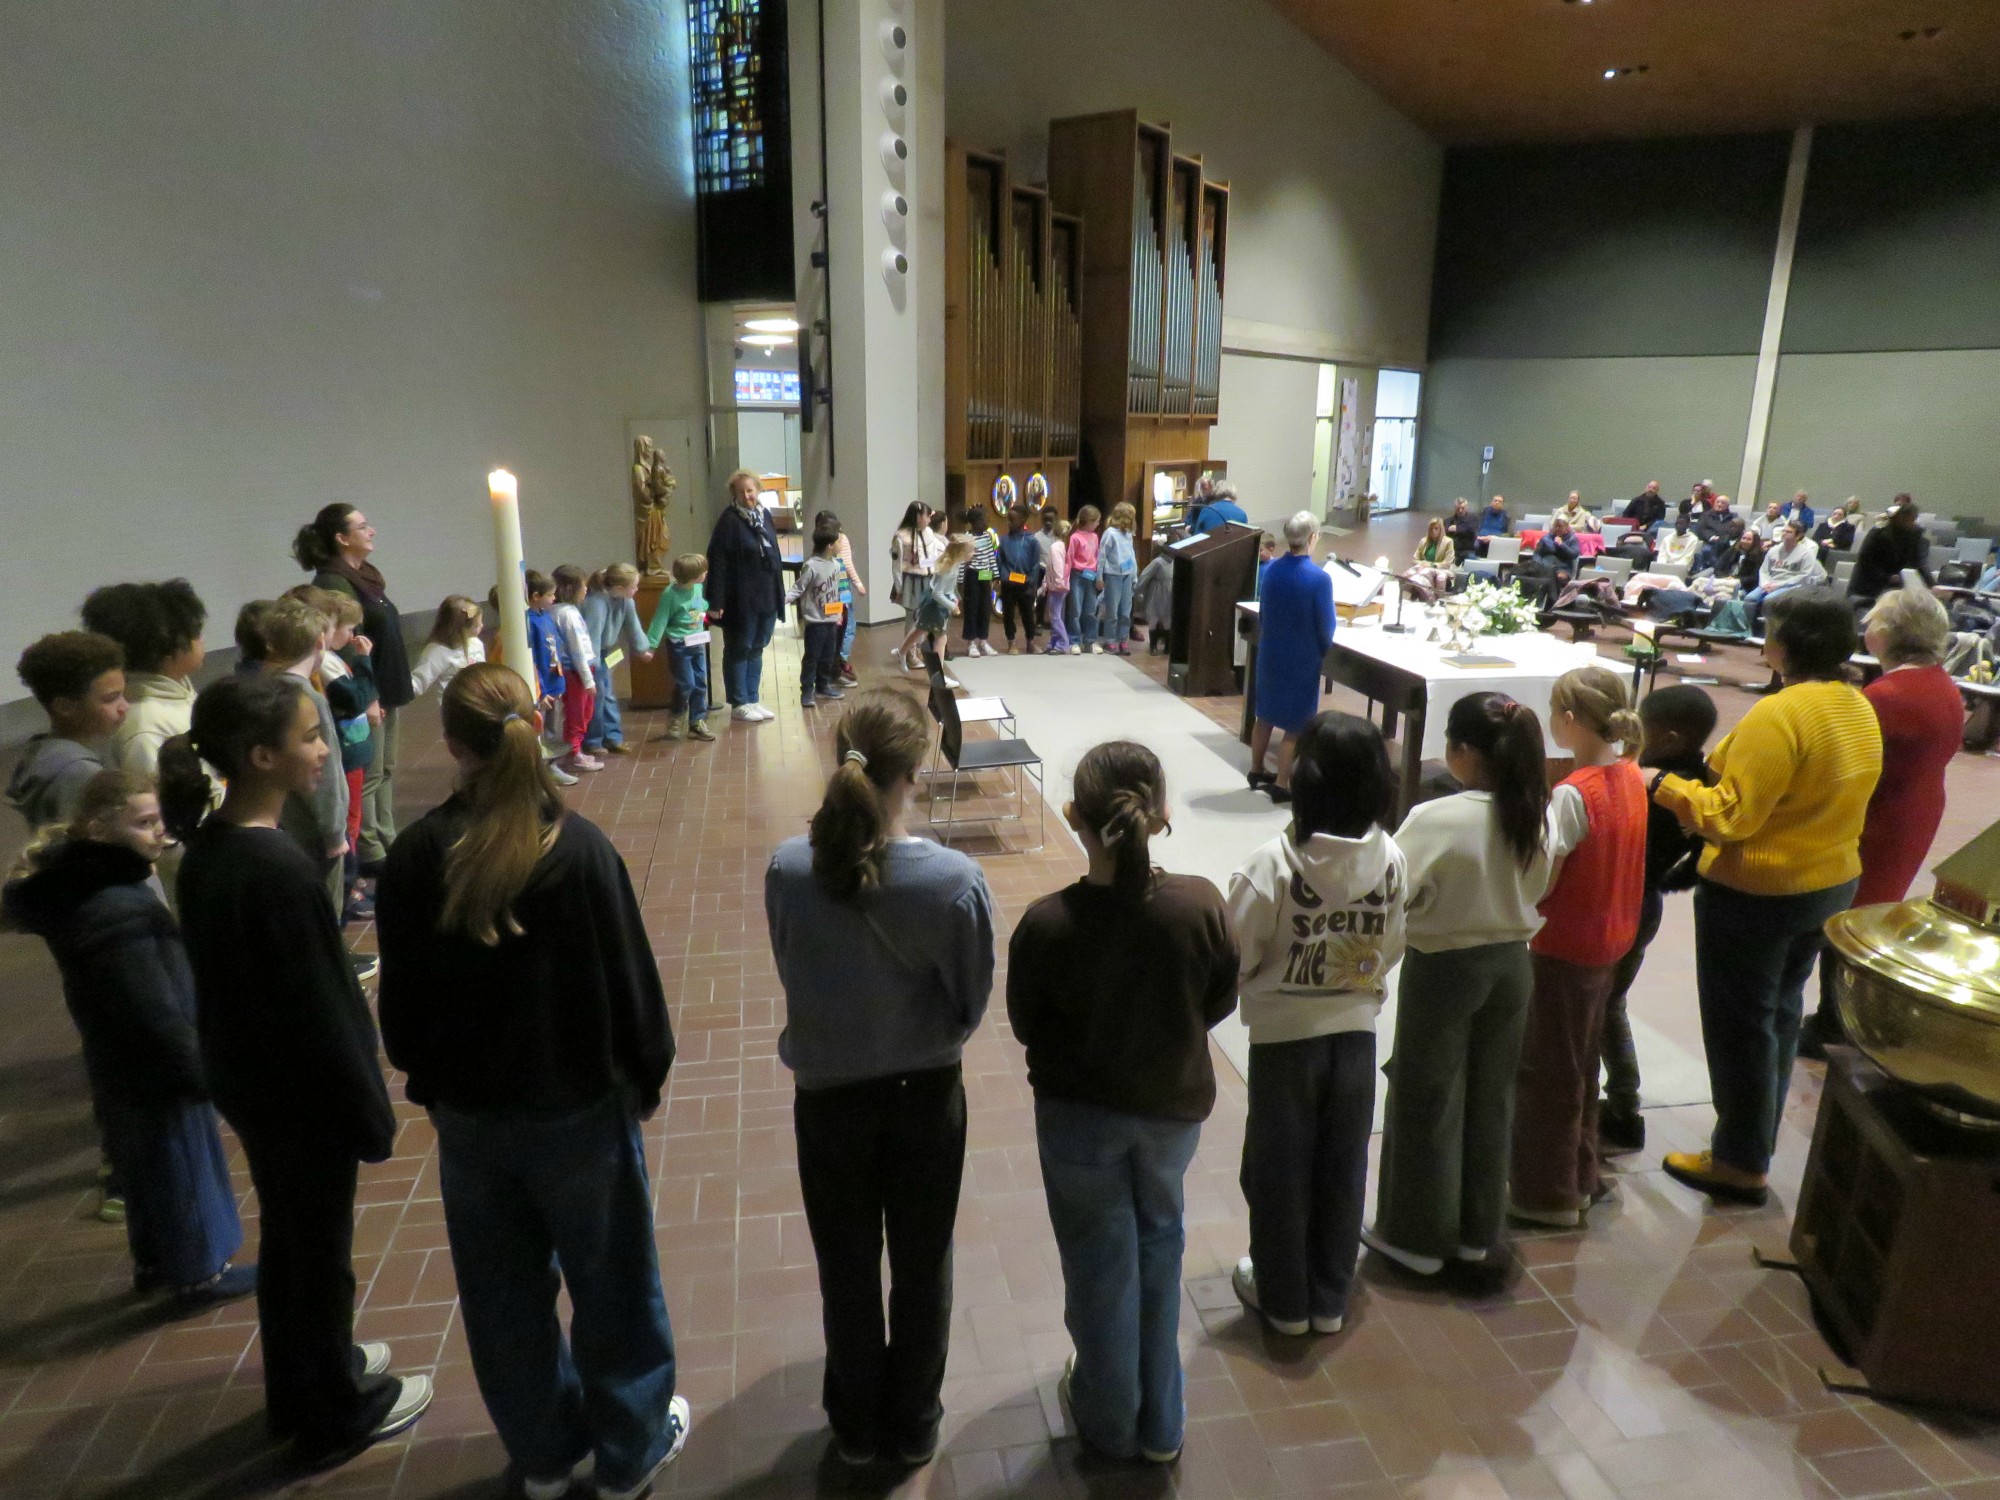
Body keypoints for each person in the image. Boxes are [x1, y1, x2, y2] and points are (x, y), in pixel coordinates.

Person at [377, 664, 686, 1500]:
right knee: (613, 1283)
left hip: (474, 1121)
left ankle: (546, 1454)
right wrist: (645, 1075)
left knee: (502, 1296)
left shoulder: (413, 857)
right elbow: (631, 984)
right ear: (538, 721)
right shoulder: (576, 851)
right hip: (579, 1111)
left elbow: (400, 1005)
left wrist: (429, 1080)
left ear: (449, 744)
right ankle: (630, 1449)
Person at [160, 674, 430, 1461]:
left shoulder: (212, 850)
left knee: (294, 1247)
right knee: (317, 1259)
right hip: (301, 1098)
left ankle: (306, 1380)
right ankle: (332, 1412)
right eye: (310, 737)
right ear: (259, 756)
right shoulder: (275, 871)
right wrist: (370, 1112)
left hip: (255, 1086)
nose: (324, 748)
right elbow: (322, 1010)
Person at [766, 690, 996, 1468]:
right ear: (917, 772)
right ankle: (916, 1421)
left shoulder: (790, 869)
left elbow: (792, 965)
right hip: (924, 1096)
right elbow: (970, 999)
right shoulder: (951, 880)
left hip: (827, 1099)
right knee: (923, 1264)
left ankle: (856, 1427)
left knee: (847, 1266)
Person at [1008, 742, 1237, 1462]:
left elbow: (1025, 1024)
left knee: (1099, 1263)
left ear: (1073, 816)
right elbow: (1218, 998)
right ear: (1162, 815)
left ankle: (1110, 1421)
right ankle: (1162, 1426)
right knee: (1160, 1247)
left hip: (1079, 1118)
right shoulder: (1198, 904)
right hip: (1171, 1114)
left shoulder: (1046, 925)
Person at [1654, 589, 1882, 1206]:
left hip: (1759, 892)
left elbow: (1728, 818)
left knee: (1739, 1028)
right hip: (1828, 881)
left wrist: (1666, 786)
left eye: (1770, 627)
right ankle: (1756, 1142)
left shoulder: (1780, 715)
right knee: (1778, 1015)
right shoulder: (1856, 705)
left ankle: (1739, 1161)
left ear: (1785, 643)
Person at [3, 770, 255, 1307]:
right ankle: (198, 1273)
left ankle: (157, 1260)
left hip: (118, 1065)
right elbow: (150, 1008)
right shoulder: (117, 906)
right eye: (144, 823)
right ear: (98, 830)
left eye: (160, 820)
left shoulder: (84, 889)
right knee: (181, 1164)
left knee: (145, 1171)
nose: (158, 833)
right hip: (157, 1066)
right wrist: (197, 1069)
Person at [1365, 693, 1562, 1296]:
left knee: (1429, 1098)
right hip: (1512, 966)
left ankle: (1418, 1238)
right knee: (1490, 1097)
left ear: (1465, 752)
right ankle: (1478, 1230)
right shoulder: (1538, 811)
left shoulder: (1440, 818)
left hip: (1447, 966)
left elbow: (1392, 891)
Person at [1227, 714, 1402, 1338]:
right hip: (1357, 1031)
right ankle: (1330, 1297)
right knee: (1342, 1163)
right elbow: (1393, 943)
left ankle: (1283, 1299)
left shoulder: (1271, 862)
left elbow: (1236, 952)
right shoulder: (1392, 857)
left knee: (1278, 1168)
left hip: (1283, 1040)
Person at [1507, 668, 1647, 1229]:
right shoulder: (1632, 775)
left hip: (1563, 945)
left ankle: (1549, 1194)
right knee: (1581, 1064)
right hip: (1610, 940)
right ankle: (1582, 1175)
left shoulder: (1573, 793)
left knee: (1548, 1073)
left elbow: (1544, 878)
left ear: (1569, 719)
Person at [1799, 587, 1963, 1059]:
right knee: (1870, 911)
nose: (1866, 628)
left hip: (1880, 817)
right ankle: (1838, 1016)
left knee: (1846, 918)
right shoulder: (1938, 682)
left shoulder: (1888, 695)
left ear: (1889, 633)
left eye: (1872, 620)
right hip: (1915, 807)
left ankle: (1834, 1020)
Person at [1597, 687, 1716, 1154]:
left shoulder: (1656, 787)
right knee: (1612, 1003)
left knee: (1603, 1005)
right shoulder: (1698, 782)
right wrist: (1671, 879)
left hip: (1620, 902)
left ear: (1667, 738)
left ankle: (1623, 1106)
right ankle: (1621, 1103)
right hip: (1646, 902)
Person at [293, 504, 413, 876]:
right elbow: (344, 647)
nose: (371, 531)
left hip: (383, 686)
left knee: (384, 769)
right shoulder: (334, 582)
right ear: (341, 538)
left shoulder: (364, 577)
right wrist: (371, 698)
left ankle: (386, 836)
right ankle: (371, 850)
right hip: (366, 693)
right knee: (369, 773)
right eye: (362, 526)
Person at [252, 599, 351, 922]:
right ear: (320, 642)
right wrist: (335, 831)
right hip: (315, 829)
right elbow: (324, 771)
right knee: (325, 911)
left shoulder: (263, 690)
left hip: (282, 819)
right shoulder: (310, 699)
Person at [1248, 513, 1336, 804]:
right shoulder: (1319, 578)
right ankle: (1283, 783)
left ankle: (1257, 769)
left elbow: (1264, 612)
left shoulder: (1271, 570)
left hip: (1271, 652)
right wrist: (1322, 650)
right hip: (1301, 657)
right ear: (1312, 538)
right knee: (1295, 726)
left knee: (1265, 716)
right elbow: (1326, 626)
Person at [83, 579, 208, 778]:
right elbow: (162, 803)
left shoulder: (176, 690)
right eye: (195, 633)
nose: (201, 640)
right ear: (165, 644)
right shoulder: (144, 728)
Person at [9, 631, 128, 832]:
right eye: (110, 699)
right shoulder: (80, 773)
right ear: (65, 707)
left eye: (123, 695)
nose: (124, 706)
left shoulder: (40, 753)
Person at [706, 469, 785, 721]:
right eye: (741, 492)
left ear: (758, 490)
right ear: (734, 495)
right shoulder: (728, 521)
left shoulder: (764, 515)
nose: (747, 495)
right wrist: (716, 601)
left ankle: (753, 698)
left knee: (758, 647)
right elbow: (718, 562)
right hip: (741, 599)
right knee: (739, 648)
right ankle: (739, 702)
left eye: (750, 490)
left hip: (766, 596)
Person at [581, 564, 652, 757]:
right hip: (592, 657)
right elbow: (592, 637)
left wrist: (642, 649)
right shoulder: (596, 603)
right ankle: (593, 740)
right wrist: (591, 667)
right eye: (634, 586)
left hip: (605, 653)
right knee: (597, 697)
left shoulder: (625, 600)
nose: (636, 590)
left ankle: (613, 738)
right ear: (619, 588)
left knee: (609, 695)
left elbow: (633, 625)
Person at [645, 554, 716, 742]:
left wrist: (709, 610)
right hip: (679, 646)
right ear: (694, 576)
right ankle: (676, 716)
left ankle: (696, 722)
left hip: (697, 642)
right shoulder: (670, 595)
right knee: (686, 684)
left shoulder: (698, 587)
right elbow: (659, 620)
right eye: (703, 571)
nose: (706, 574)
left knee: (700, 682)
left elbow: (699, 606)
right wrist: (650, 645)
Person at [521, 572, 576, 785]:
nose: (554, 599)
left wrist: (559, 683)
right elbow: (533, 659)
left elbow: (555, 648)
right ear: (536, 595)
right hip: (542, 688)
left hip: (554, 683)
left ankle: (552, 766)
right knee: (542, 731)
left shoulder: (545, 616)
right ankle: (545, 770)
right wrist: (540, 691)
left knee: (553, 729)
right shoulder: (529, 622)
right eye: (551, 595)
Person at [789, 520, 849, 709]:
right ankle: (807, 690)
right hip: (815, 622)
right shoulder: (811, 566)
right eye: (839, 542)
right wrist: (781, 601)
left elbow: (836, 590)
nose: (842, 545)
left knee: (828, 656)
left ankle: (823, 686)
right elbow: (799, 588)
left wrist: (838, 611)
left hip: (831, 620)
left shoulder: (835, 565)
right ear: (830, 545)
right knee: (812, 656)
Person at [548, 567, 601, 774]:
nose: (586, 589)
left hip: (575, 670)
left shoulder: (558, 612)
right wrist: (588, 680)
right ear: (572, 588)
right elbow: (577, 648)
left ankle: (575, 749)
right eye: (583, 585)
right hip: (577, 671)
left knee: (581, 711)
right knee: (578, 712)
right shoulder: (567, 614)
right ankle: (573, 753)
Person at [1742, 520, 1825, 631]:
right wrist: (1765, 583)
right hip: (1770, 584)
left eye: (1789, 532)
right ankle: (1747, 629)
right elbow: (1764, 570)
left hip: (1790, 586)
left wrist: (1778, 586)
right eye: (1784, 531)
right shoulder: (1773, 550)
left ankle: (1768, 633)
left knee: (1769, 599)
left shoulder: (1806, 553)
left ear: (1798, 535)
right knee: (1750, 598)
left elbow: (1803, 576)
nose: (1784, 534)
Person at [1850, 497, 1933, 605]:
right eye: (1909, 519)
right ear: (1899, 518)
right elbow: (1865, 559)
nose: (1912, 523)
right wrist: (1886, 578)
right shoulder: (1878, 532)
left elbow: (1919, 561)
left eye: (1914, 519)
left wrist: (1932, 584)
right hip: (1869, 583)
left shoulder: (1915, 534)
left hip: (1894, 585)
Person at [890, 501, 940, 673]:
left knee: (924, 617)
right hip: (911, 580)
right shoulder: (901, 536)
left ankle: (916, 649)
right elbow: (896, 564)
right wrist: (899, 587)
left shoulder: (929, 533)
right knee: (912, 617)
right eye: (927, 515)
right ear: (918, 517)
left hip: (927, 578)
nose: (928, 519)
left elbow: (934, 555)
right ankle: (909, 652)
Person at [818, 509, 866, 685]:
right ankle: (835, 668)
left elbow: (846, 564)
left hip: (840, 597)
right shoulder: (820, 560)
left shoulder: (825, 553)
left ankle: (834, 668)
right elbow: (847, 563)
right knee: (838, 633)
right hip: (835, 600)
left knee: (839, 631)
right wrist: (858, 583)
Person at [410, 595, 487, 700]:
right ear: (461, 630)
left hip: (479, 700)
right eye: (476, 626)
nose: (482, 626)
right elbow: (418, 682)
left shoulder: (476, 643)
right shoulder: (437, 651)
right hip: (454, 706)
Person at [917, 538, 972, 677]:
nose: (973, 553)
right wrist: (952, 605)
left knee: (931, 635)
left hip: (940, 604)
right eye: (971, 551)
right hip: (937, 606)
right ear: (961, 552)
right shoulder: (950, 568)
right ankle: (938, 675)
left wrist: (953, 597)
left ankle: (936, 673)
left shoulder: (954, 565)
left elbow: (949, 588)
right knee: (939, 639)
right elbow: (937, 593)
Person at [997, 504, 1043, 653]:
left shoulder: (1032, 541)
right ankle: (1012, 642)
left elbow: (1035, 564)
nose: (1009, 523)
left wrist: (1031, 581)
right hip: (1008, 584)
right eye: (1008, 520)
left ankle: (1030, 642)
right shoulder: (1003, 540)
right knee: (1008, 614)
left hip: (1025, 584)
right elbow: (1000, 562)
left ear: (1023, 519)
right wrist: (1003, 577)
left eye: (1012, 520)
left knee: (1028, 614)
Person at [1097, 502, 1140, 655]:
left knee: (1125, 612)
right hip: (1113, 575)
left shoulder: (1128, 534)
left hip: (1127, 575)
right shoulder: (1109, 533)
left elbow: (1131, 556)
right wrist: (1099, 576)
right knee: (1112, 611)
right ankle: (1110, 640)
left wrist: (1134, 576)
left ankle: (1123, 640)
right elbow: (1102, 556)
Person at [960, 505, 1000, 657]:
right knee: (971, 608)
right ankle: (970, 643)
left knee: (985, 608)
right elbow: (963, 561)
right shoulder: (967, 538)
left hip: (985, 575)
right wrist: (960, 581)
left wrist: (995, 576)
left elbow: (991, 556)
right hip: (972, 575)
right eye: (983, 519)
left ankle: (983, 641)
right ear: (975, 522)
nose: (986, 522)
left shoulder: (987, 536)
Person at [1067, 506, 1103, 653]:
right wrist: (1065, 577)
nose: (1098, 525)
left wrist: (1098, 576)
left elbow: (1096, 557)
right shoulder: (1074, 537)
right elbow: (1069, 558)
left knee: (1090, 610)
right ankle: (1074, 641)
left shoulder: (1094, 537)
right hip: (1077, 575)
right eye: (1096, 522)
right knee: (1075, 609)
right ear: (1089, 521)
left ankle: (1090, 640)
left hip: (1091, 575)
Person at [1042, 517, 1073, 656]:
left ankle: (1063, 644)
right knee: (1057, 614)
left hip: (1057, 586)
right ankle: (1053, 643)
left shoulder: (1056, 547)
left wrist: (1057, 582)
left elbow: (1056, 566)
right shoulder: (1064, 546)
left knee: (1055, 616)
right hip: (1061, 585)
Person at [1411, 518, 1455, 597]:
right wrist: (1423, 564)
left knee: (1426, 573)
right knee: (1411, 573)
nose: (1433, 531)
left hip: (1440, 570)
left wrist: (1431, 565)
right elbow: (1414, 560)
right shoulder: (1423, 541)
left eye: (1436, 528)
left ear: (1441, 529)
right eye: (1431, 529)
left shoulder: (1448, 542)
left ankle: (1433, 598)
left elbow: (1447, 563)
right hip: (1423, 568)